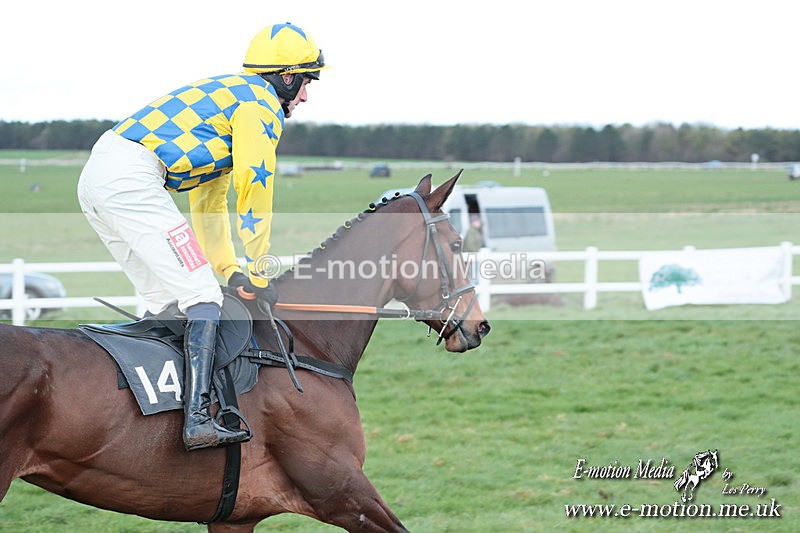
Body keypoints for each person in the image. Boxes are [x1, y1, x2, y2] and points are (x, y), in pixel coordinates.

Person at [77, 22, 328, 450]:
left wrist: (231, 271)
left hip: (101, 176)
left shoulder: (231, 101)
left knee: (169, 305)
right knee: (202, 300)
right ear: (287, 77)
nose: (305, 95)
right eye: (306, 82)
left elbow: (209, 205)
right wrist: (260, 268)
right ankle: (197, 421)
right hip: (132, 180)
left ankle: (154, 416)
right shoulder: (261, 106)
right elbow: (256, 185)